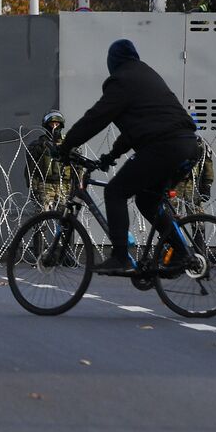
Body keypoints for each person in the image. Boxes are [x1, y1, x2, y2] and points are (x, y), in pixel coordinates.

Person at [57, 39, 199, 275]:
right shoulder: (146, 75)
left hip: (163, 147)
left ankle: (120, 256)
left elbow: (97, 117)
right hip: (187, 145)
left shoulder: (121, 80)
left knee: (115, 191)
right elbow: (141, 127)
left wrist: (67, 145)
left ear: (112, 62)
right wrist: (111, 155)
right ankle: (181, 254)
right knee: (147, 201)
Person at [25, 111, 76, 211]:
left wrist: (77, 185)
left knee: (65, 217)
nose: (54, 127)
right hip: (45, 184)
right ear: (46, 126)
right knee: (42, 217)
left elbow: (77, 167)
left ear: (61, 125)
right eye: (51, 124)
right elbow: (31, 167)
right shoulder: (38, 145)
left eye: (57, 124)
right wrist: (32, 186)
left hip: (65, 185)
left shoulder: (69, 144)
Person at [172, 138, 215, 217]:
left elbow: (208, 164)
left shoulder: (200, 143)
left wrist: (207, 185)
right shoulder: (172, 140)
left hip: (192, 183)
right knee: (172, 216)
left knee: (198, 218)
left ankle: (198, 228)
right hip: (174, 183)